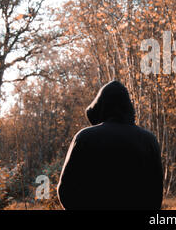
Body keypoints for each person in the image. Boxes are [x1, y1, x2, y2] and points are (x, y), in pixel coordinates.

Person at [57, 80, 163, 210]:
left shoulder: (85, 138)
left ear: (100, 106)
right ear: (128, 107)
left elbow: (65, 189)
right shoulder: (148, 140)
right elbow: (155, 193)